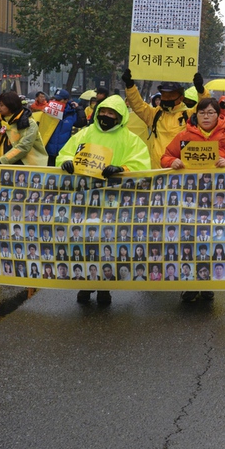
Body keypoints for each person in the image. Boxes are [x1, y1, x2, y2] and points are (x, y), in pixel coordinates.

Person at [57, 93, 152, 305]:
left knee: (108, 246)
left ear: (120, 117)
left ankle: (104, 287)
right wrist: (66, 162)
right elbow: (65, 154)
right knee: (85, 243)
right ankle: (85, 284)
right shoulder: (85, 133)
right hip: (85, 199)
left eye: (112, 113)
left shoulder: (130, 140)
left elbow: (142, 166)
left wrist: (122, 169)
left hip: (114, 202)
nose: (107, 116)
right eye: (104, 112)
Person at [162, 97, 225, 303]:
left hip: (218, 201)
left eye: (211, 113)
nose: (206, 117)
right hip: (189, 199)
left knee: (213, 240)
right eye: (202, 113)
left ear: (219, 116)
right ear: (196, 115)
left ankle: (208, 282)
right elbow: (164, 157)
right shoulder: (183, 136)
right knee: (190, 241)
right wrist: (172, 161)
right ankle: (190, 284)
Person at [121, 67, 206, 164]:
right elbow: (138, 105)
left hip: (179, 169)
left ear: (181, 98)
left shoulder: (188, 115)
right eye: (164, 95)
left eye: (170, 95)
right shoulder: (154, 114)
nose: (166, 98)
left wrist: (201, 91)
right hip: (156, 171)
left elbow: (204, 108)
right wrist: (130, 86)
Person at [0, 91, 48, 166]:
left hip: (28, 168)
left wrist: (1, 161)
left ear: (11, 106)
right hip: (4, 166)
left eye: (2, 105)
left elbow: (24, 146)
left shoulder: (29, 123)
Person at [44, 89, 86, 166]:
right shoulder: (49, 111)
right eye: (55, 99)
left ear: (66, 100)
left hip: (63, 153)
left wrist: (78, 109)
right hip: (48, 152)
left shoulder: (72, 113)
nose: (56, 101)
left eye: (59, 99)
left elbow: (82, 123)